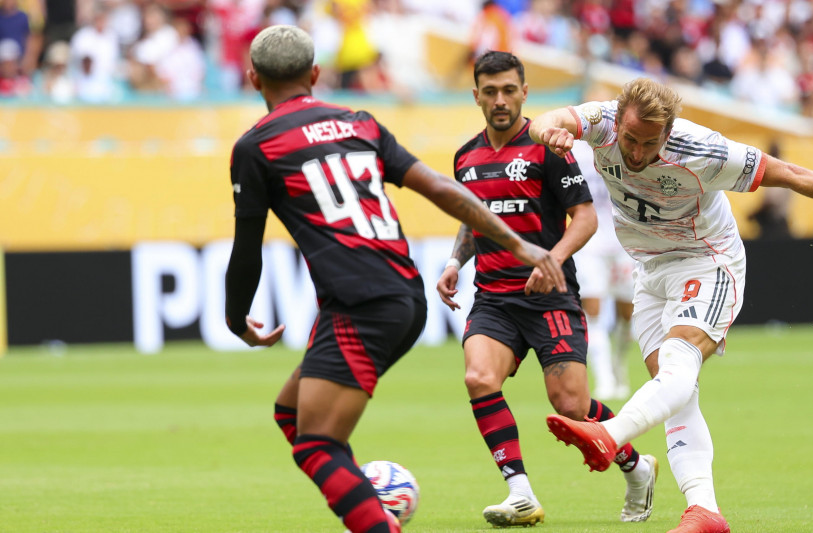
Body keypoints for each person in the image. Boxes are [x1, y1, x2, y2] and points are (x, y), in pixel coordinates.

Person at [225, 26, 568, 533]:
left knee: (315, 442)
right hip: (404, 294)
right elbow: (440, 188)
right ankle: (369, 502)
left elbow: (247, 249)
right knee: (292, 413)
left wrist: (237, 321)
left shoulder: (256, 146)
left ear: (252, 77)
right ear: (316, 75)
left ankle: (375, 521)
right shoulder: (359, 122)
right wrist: (516, 242)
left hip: (359, 304)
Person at [529, 77, 813, 533]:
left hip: (707, 262)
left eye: (648, 144)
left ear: (668, 134)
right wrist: (547, 132)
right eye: (629, 139)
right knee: (676, 390)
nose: (634, 153)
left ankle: (609, 434)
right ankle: (704, 510)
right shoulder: (603, 120)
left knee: (677, 366)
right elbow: (549, 120)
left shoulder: (703, 151)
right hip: (650, 269)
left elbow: (792, 174)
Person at [435, 51, 658, 528]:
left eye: (509, 90)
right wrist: (456, 260)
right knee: (479, 378)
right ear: (476, 95)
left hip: (550, 296)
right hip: (493, 297)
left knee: (572, 406)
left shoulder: (548, 150)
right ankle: (519, 493)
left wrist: (551, 259)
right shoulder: (466, 157)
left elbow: (586, 217)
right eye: (490, 91)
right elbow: (474, 221)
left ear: (524, 93)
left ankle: (637, 467)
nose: (500, 100)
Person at [571, 138, 639, 400]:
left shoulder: (621, 145)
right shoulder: (573, 150)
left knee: (627, 315)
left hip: (624, 244)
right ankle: (604, 378)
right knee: (593, 312)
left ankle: (618, 364)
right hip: (590, 243)